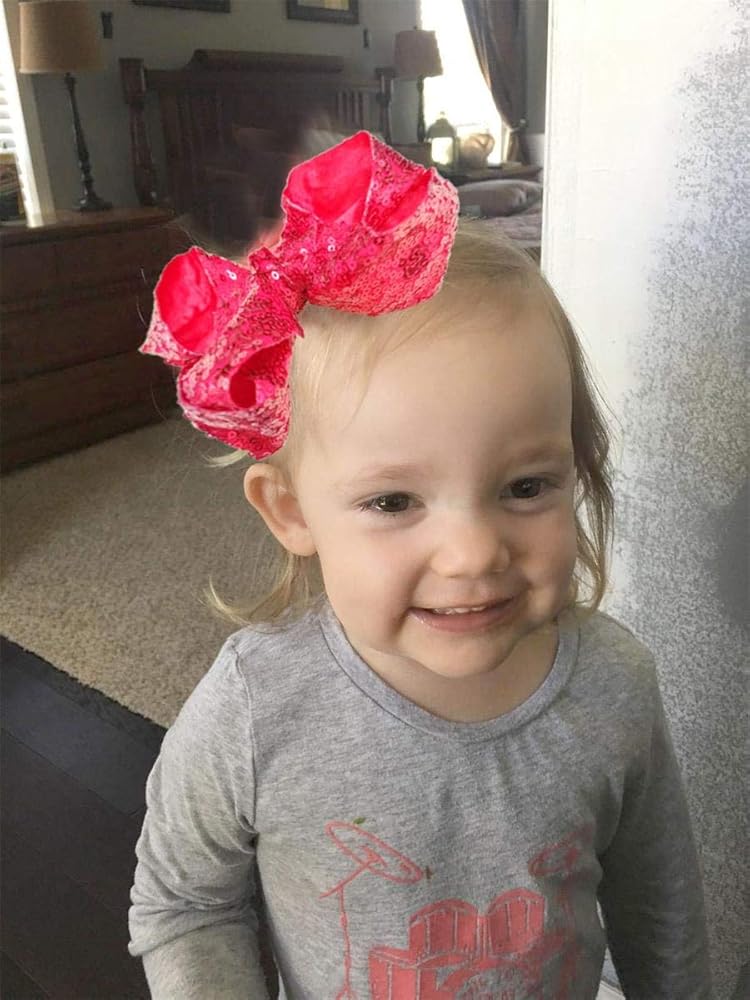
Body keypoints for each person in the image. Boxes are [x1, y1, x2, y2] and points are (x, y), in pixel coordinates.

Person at [128, 132, 712, 999]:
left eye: (525, 486)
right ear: (292, 511)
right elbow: (184, 902)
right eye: (395, 501)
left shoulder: (615, 685)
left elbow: (658, 904)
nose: (473, 554)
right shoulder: (259, 708)